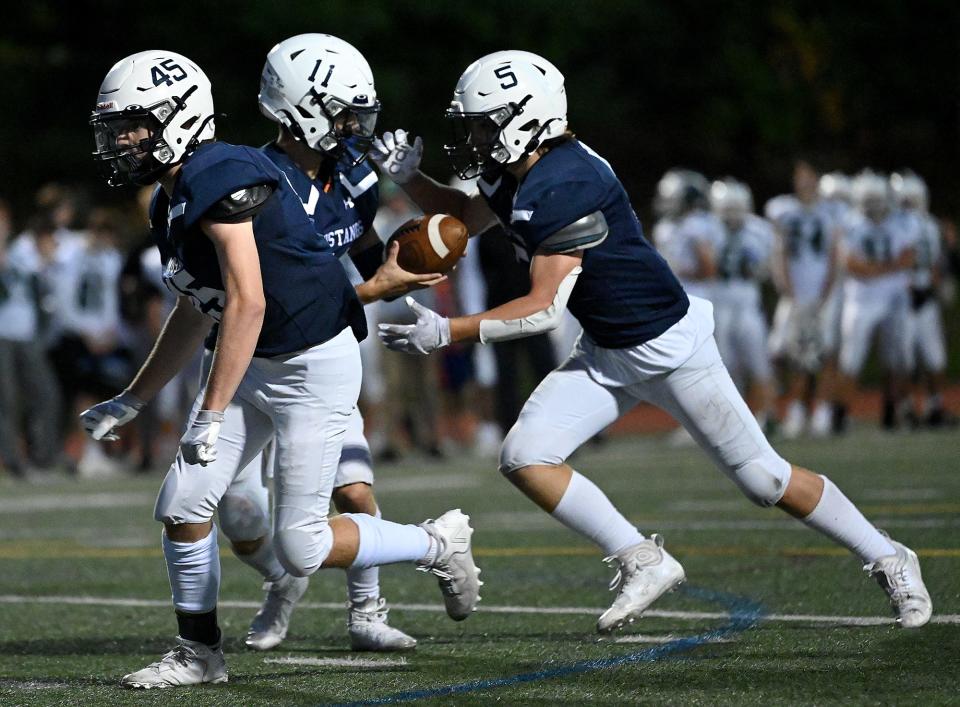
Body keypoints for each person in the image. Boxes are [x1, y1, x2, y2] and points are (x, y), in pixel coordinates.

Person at [372, 50, 931, 633]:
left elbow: (540, 310)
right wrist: (410, 177)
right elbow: (466, 214)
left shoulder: (567, 181)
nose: (475, 138)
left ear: (526, 118)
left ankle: (889, 556)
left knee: (765, 480)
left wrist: (448, 332)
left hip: (670, 346)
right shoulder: (521, 170)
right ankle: (644, 559)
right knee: (524, 456)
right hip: (608, 350)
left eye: (485, 123)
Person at [80, 50, 480, 689]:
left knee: (303, 545)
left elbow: (249, 300)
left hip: (309, 367)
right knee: (183, 503)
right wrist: (133, 396)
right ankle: (200, 654)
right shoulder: (172, 197)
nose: (125, 140)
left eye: (136, 124)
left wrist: (210, 412)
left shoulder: (220, 177)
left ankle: (435, 544)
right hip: (249, 357)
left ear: (179, 118)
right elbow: (197, 305)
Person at [229, 33, 445, 653]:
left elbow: (364, 251)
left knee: (353, 489)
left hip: (322, 354)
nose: (353, 126)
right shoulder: (253, 183)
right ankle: (283, 583)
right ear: (295, 107)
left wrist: (408, 266)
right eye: (339, 111)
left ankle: (367, 611)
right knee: (242, 516)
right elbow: (281, 296)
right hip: (252, 360)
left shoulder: (352, 175)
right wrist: (380, 288)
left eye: (357, 111)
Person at [834, 170, 918, 428]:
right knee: (851, 359)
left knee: (898, 357)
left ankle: (893, 411)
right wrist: (888, 268)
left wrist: (874, 270)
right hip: (861, 299)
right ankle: (840, 414)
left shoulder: (902, 221)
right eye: (867, 200)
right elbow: (851, 264)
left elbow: (910, 258)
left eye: (876, 200)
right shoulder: (850, 222)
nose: (872, 206)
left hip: (894, 297)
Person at [765, 161, 842, 437]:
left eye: (810, 178)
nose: (805, 183)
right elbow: (781, 252)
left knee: (825, 352)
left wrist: (826, 291)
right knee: (780, 352)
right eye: (801, 178)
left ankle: (821, 410)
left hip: (823, 295)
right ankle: (788, 409)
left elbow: (835, 255)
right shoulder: (783, 210)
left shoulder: (830, 212)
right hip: (794, 296)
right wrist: (789, 290)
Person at [709, 178, 777, 431]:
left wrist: (761, 269)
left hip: (748, 305)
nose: (732, 216)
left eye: (736, 209)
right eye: (727, 209)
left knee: (759, 361)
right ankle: (733, 422)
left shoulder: (759, 230)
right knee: (725, 366)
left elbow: (770, 267)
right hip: (719, 306)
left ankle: (768, 414)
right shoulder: (709, 229)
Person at [890, 171, 956, 427]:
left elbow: (937, 263)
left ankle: (934, 405)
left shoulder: (930, 226)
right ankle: (906, 408)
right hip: (904, 298)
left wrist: (940, 282)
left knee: (934, 358)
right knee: (905, 359)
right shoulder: (901, 225)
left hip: (924, 296)